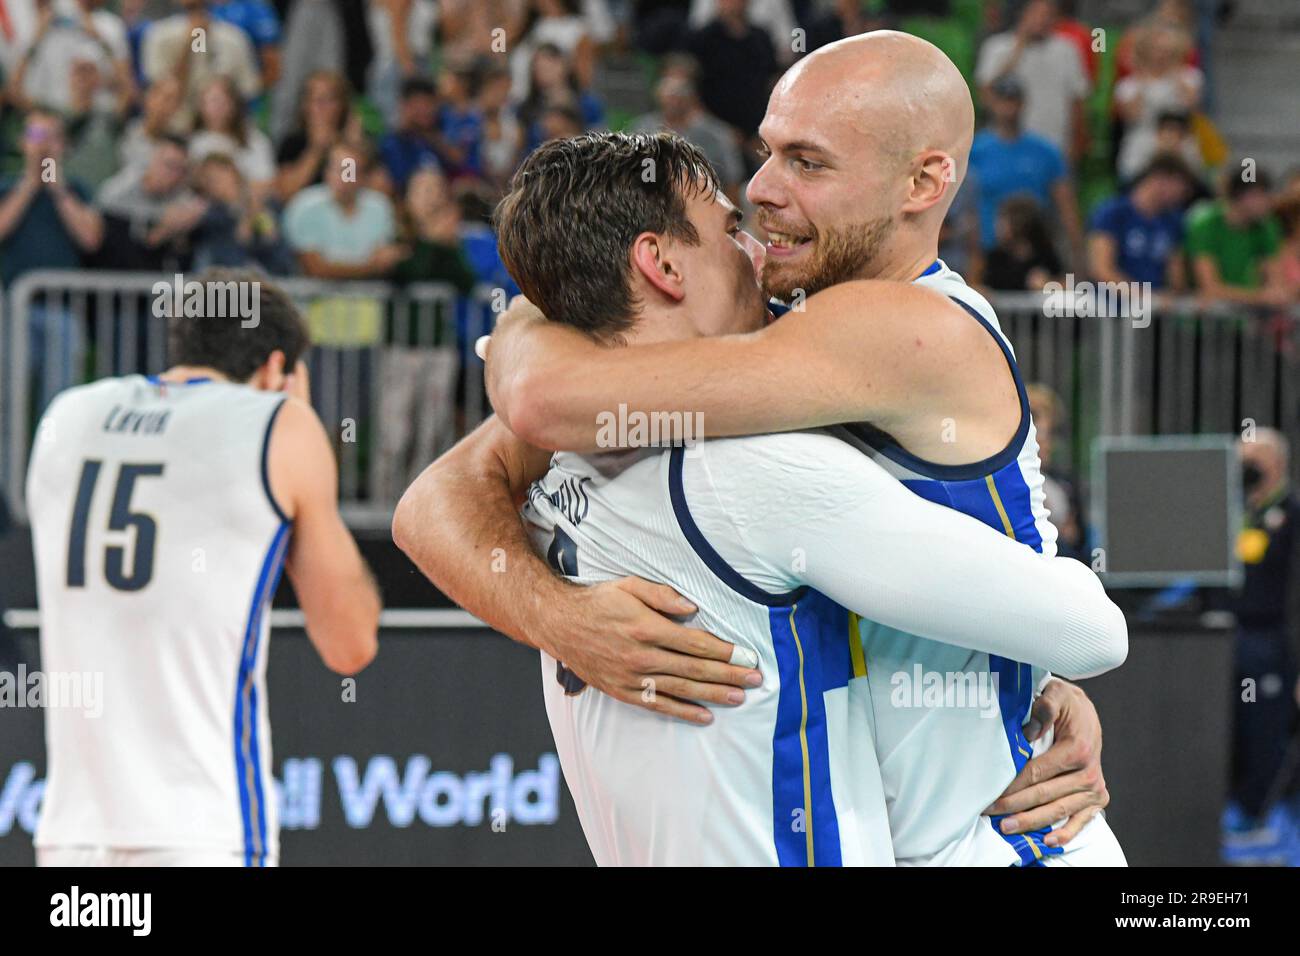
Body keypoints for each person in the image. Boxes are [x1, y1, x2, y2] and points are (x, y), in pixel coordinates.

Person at [412, 33, 1126, 865]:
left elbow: (539, 399)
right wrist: (560, 617)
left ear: (925, 182)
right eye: (767, 154)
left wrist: (535, 320)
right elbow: (437, 498)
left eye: (808, 163)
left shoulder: (902, 329)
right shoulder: (773, 324)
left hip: (1004, 843)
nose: (760, 192)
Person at [27, 270, 381, 866]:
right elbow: (350, 642)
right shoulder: (278, 426)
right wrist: (296, 431)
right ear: (276, 369)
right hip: (199, 831)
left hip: (71, 836)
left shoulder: (66, 417)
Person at [1223, 428, 1300, 862]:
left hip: (1274, 644)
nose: (1246, 467)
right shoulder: (1234, 514)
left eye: (1254, 457)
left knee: (1266, 733)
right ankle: (1234, 817)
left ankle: (1262, 822)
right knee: (1232, 729)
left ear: (1277, 462)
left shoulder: (1291, 514)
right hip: (1229, 642)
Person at [969, 74, 1084, 269]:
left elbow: (1066, 207)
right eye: (1003, 101)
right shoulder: (975, 151)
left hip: (1036, 253)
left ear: (1023, 104)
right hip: (989, 252)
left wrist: (1077, 255)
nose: (1008, 108)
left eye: (1013, 101)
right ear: (993, 103)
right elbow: (966, 205)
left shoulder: (1046, 151)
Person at [975, 0, 1089, 164]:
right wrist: (1020, 45)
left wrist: (1076, 145)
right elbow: (986, 95)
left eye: (1048, 14)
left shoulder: (1068, 49)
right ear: (1022, 14)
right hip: (1007, 147)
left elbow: (1077, 101)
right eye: (1036, 13)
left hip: (1055, 145)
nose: (1042, 20)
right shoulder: (996, 47)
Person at [1087, 152, 1196, 293]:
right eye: (1179, 189)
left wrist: (1175, 297)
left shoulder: (1173, 221)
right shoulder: (1112, 213)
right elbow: (1101, 271)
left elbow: (1176, 278)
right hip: (1111, 304)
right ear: (1160, 179)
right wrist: (1141, 295)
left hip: (1154, 307)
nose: (1181, 196)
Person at [1185, 166, 1289, 308]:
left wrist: (1274, 293)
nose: (1267, 202)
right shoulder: (1206, 225)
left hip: (1246, 315)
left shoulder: (1266, 226)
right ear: (1240, 196)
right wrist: (1260, 297)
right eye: (1260, 195)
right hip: (1207, 317)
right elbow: (1210, 287)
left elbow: (1276, 282)